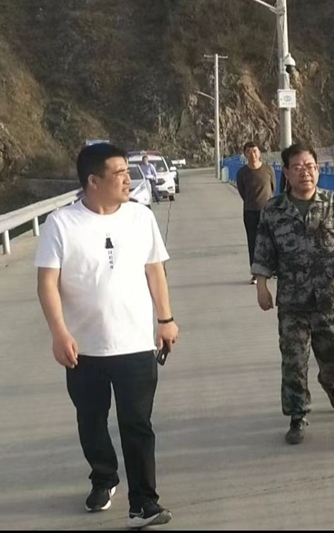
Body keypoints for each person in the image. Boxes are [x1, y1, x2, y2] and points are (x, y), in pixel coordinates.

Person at [35, 143, 177, 528]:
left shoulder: (141, 217)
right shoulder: (61, 224)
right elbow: (47, 283)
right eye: (120, 174)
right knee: (91, 419)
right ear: (93, 181)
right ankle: (104, 477)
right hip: (84, 348)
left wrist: (165, 319)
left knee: (137, 423)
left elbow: (155, 270)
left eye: (128, 172)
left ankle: (144, 503)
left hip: (135, 343)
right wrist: (59, 332)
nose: (129, 180)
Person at [252, 144, 334, 445]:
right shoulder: (273, 210)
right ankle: (297, 414)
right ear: (286, 173)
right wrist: (262, 285)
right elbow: (263, 250)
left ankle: (331, 383)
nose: (306, 172)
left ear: (318, 169)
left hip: (331, 298)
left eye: (311, 166)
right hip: (293, 301)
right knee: (294, 361)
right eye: (298, 167)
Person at [236, 142, 276, 285]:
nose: (252, 154)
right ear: (245, 154)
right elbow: (242, 191)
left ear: (259, 153)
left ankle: (272, 269)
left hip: (268, 211)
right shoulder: (242, 173)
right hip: (250, 212)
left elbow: (273, 188)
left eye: (255, 151)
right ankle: (256, 273)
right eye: (249, 151)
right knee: (253, 242)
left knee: (271, 241)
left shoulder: (268, 169)